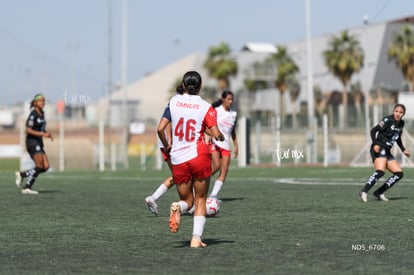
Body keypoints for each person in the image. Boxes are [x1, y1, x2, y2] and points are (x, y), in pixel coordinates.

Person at [157, 71, 223, 248]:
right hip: (198, 155)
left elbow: (160, 128)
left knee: (188, 201)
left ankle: (178, 206)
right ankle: (195, 239)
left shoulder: (174, 101)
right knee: (200, 199)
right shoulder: (205, 106)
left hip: (178, 158)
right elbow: (215, 133)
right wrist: (221, 136)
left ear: (183, 85)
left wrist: (167, 144)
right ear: (200, 87)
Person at [359, 103, 411, 202]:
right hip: (379, 147)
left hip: (387, 150)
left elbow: (398, 138)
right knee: (380, 171)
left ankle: (379, 192)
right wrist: (375, 144)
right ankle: (364, 191)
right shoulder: (387, 120)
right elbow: (373, 131)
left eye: (400, 112)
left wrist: (403, 150)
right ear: (393, 111)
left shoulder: (401, 123)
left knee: (399, 174)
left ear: (403, 114)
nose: (398, 114)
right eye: (396, 111)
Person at [145, 85, 184, 215]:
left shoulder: (175, 101)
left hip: (165, 143)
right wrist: (170, 141)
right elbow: (168, 123)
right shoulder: (178, 102)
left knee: (178, 175)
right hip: (170, 144)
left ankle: (154, 198)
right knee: (183, 175)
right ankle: (188, 203)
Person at [15, 93, 53, 194]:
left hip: (39, 142)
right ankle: (27, 187)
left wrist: (46, 134)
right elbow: (28, 130)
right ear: (35, 103)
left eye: (43, 101)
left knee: (45, 167)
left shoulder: (42, 113)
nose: (42, 103)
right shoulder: (33, 114)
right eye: (40, 101)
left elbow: (41, 128)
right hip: (32, 142)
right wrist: (43, 134)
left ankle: (22, 174)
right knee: (39, 165)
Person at [208, 90, 238, 199]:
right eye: (228, 99)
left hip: (226, 145)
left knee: (224, 171)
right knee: (215, 166)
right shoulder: (216, 111)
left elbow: (232, 131)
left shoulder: (233, 114)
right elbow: (208, 125)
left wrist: (236, 145)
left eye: (231, 99)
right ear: (223, 99)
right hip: (215, 143)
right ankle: (198, 183)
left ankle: (213, 195)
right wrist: (212, 134)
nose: (230, 101)